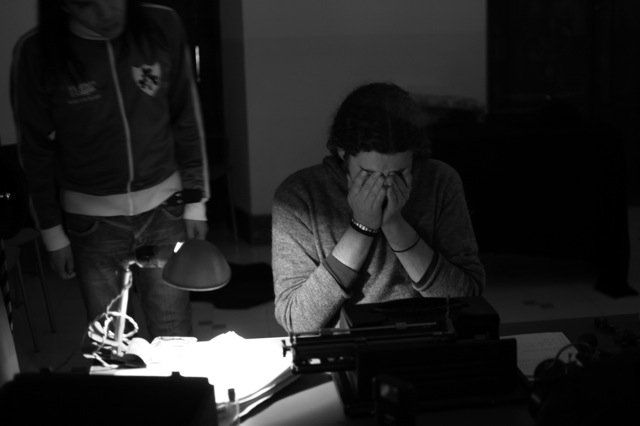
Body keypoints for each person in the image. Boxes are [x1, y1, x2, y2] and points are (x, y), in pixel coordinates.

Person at [11, 0, 209, 337]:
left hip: (166, 211)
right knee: (111, 341)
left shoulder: (162, 25)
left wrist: (195, 202)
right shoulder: (38, 52)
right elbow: (35, 151)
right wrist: (52, 232)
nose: (106, 11)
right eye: (87, 4)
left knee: (174, 332)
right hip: (92, 225)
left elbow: (185, 116)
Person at [272, 82, 485, 333]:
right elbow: (297, 321)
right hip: (341, 345)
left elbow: (466, 298)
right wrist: (362, 227)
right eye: (368, 173)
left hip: (428, 338)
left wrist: (394, 224)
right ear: (342, 153)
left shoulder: (440, 181)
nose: (385, 186)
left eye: (399, 172)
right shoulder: (299, 196)